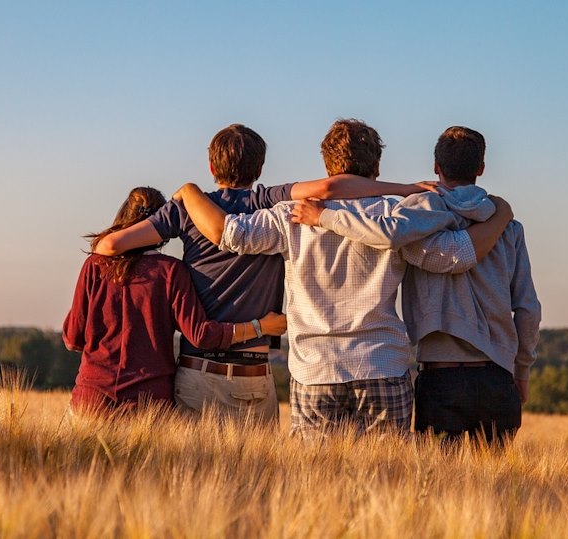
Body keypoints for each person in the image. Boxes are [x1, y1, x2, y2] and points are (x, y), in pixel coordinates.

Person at [174, 119, 514, 438]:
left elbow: (230, 234)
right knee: (387, 483)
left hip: (315, 370)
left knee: (316, 484)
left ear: (327, 167)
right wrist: (500, 216)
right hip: (382, 364)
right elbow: (454, 256)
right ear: (377, 168)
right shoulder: (397, 216)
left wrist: (189, 192)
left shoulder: (290, 215)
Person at [94, 124, 435, 423]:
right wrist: (404, 189)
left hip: (200, 370)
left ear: (211, 166)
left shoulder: (187, 209)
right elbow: (331, 190)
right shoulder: (268, 201)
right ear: (259, 168)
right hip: (258, 374)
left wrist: (185, 196)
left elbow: (109, 247)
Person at [292, 126, 541, 445]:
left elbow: (386, 233)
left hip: (440, 379)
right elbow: (529, 310)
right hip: (498, 377)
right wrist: (521, 371)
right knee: (494, 490)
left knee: (438, 487)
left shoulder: (414, 218)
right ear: (480, 169)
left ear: (436, 167)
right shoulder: (508, 227)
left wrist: (325, 217)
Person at [63, 186, 287, 415]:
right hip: (149, 404)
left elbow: (73, 339)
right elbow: (201, 335)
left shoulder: (94, 266)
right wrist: (260, 327)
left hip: (91, 400)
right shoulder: (171, 271)